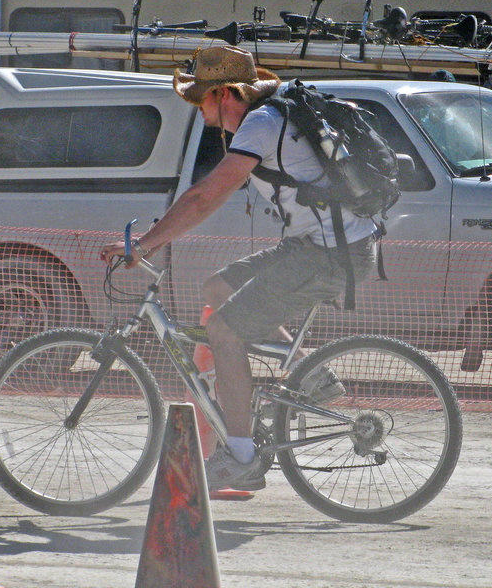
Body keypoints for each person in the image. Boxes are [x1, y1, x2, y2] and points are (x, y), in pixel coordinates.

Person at [100, 46, 377, 491]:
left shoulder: (262, 124)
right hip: (322, 245)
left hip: (327, 253)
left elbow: (205, 196)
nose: (200, 110)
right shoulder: (271, 116)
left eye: (202, 99)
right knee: (217, 287)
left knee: (224, 332)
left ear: (225, 93)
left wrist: (144, 244)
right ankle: (311, 376)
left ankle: (242, 457)